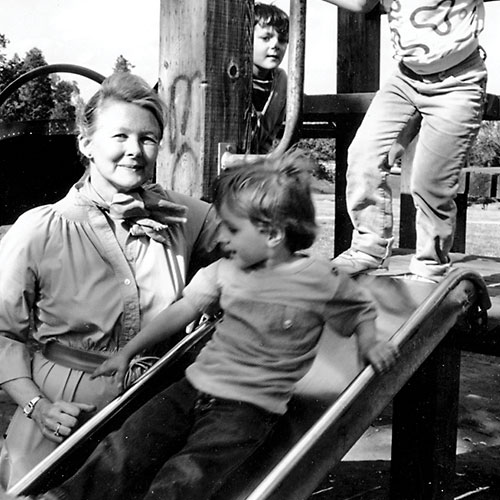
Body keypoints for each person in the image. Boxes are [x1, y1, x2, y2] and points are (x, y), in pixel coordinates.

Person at [39, 151, 398, 500]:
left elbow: (360, 311)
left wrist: (369, 342)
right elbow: (182, 309)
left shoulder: (323, 280)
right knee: (128, 443)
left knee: (188, 475)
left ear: (272, 234)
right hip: (192, 387)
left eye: (232, 229)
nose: (221, 238)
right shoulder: (226, 270)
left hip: (247, 409)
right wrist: (128, 352)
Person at [0, 72, 219, 490]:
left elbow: (257, 245)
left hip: (152, 412)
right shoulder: (39, 231)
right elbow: (2, 335)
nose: (135, 151)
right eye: (120, 136)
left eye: (148, 138)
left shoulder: (185, 217)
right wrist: (36, 406)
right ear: (86, 144)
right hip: (60, 417)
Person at [323, 0, 488, 280]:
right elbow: (363, 3)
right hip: (405, 79)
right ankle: (369, 248)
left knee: (431, 182)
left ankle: (429, 265)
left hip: (458, 83)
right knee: (364, 156)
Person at [248, 2, 289, 154]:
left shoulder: (281, 82)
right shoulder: (232, 79)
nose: (276, 45)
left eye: (283, 40)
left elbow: (269, 137)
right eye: (266, 38)